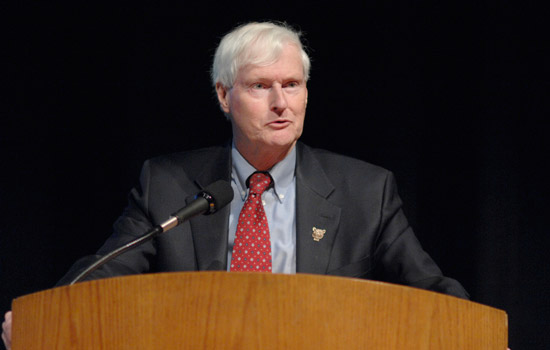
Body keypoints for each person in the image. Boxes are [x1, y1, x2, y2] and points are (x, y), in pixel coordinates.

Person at [1, 21, 469, 349]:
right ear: (224, 96)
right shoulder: (168, 184)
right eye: (261, 86)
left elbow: (430, 288)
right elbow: (101, 276)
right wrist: (43, 319)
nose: (281, 103)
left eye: (292, 84)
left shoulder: (365, 190)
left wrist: (472, 333)